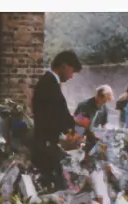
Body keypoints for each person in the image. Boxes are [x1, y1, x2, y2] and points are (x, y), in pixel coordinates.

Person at [30, 50, 82, 191]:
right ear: (64, 66)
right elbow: (54, 116)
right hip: (46, 143)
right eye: (72, 71)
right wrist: (69, 132)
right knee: (54, 184)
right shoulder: (49, 84)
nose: (71, 76)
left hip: (47, 141)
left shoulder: (50, 82)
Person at [73, 85, 112, 151]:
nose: (103, 104)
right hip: (80, 135)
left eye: (105, 102)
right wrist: (79, 140)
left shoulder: (104, 108)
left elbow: (104, 125)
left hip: (92, 136)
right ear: (98, 96)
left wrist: (106, 137)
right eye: (103, 101)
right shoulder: (84, 106)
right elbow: (77, 125)